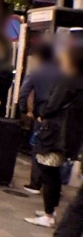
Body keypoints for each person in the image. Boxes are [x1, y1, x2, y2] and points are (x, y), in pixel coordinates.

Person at [23, 43, 83, 227]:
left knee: (48, 172)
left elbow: (53, 104)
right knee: (54, 172)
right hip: (69, 134)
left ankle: (49, 215)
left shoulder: (67, 80)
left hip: (55, 133)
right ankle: (51, 210)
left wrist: (42, 114)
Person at [18, 44, 64, 194]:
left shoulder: (36, 72)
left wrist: (24, 110)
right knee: (56, 149)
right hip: (61, 115)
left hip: (42, 114)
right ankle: (52, 184)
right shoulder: (63, 72)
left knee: (38, 146)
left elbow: (24, 91)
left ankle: (36, 183)